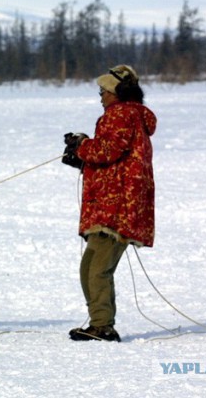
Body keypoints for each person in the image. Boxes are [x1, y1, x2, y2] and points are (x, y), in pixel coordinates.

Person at [62, 65, 156, 342]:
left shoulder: (121, 115)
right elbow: (115, 159)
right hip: (112, 202)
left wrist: (82, 145)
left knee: (98, 269)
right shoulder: (129, 116)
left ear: (117, 93)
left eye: (103, 91)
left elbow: (107, 150)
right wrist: (83, 158)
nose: (100, 96)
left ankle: (103, 327)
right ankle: (99, 323)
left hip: (118, 207)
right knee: (89, 267)